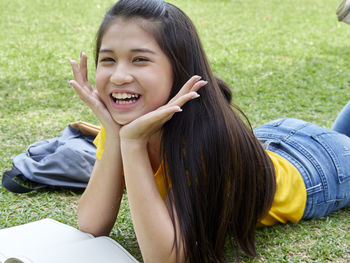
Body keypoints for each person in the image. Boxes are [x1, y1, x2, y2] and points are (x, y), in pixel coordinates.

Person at [68, 0, 350, 262]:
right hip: (272, 140)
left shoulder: (202, 138)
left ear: (179, 70)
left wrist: (131, 144)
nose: (119, 76)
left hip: (319, 171)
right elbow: (91, 225)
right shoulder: (122, 127)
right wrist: (118, 136)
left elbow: (164, 257)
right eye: (108, 60)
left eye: (139, 59)